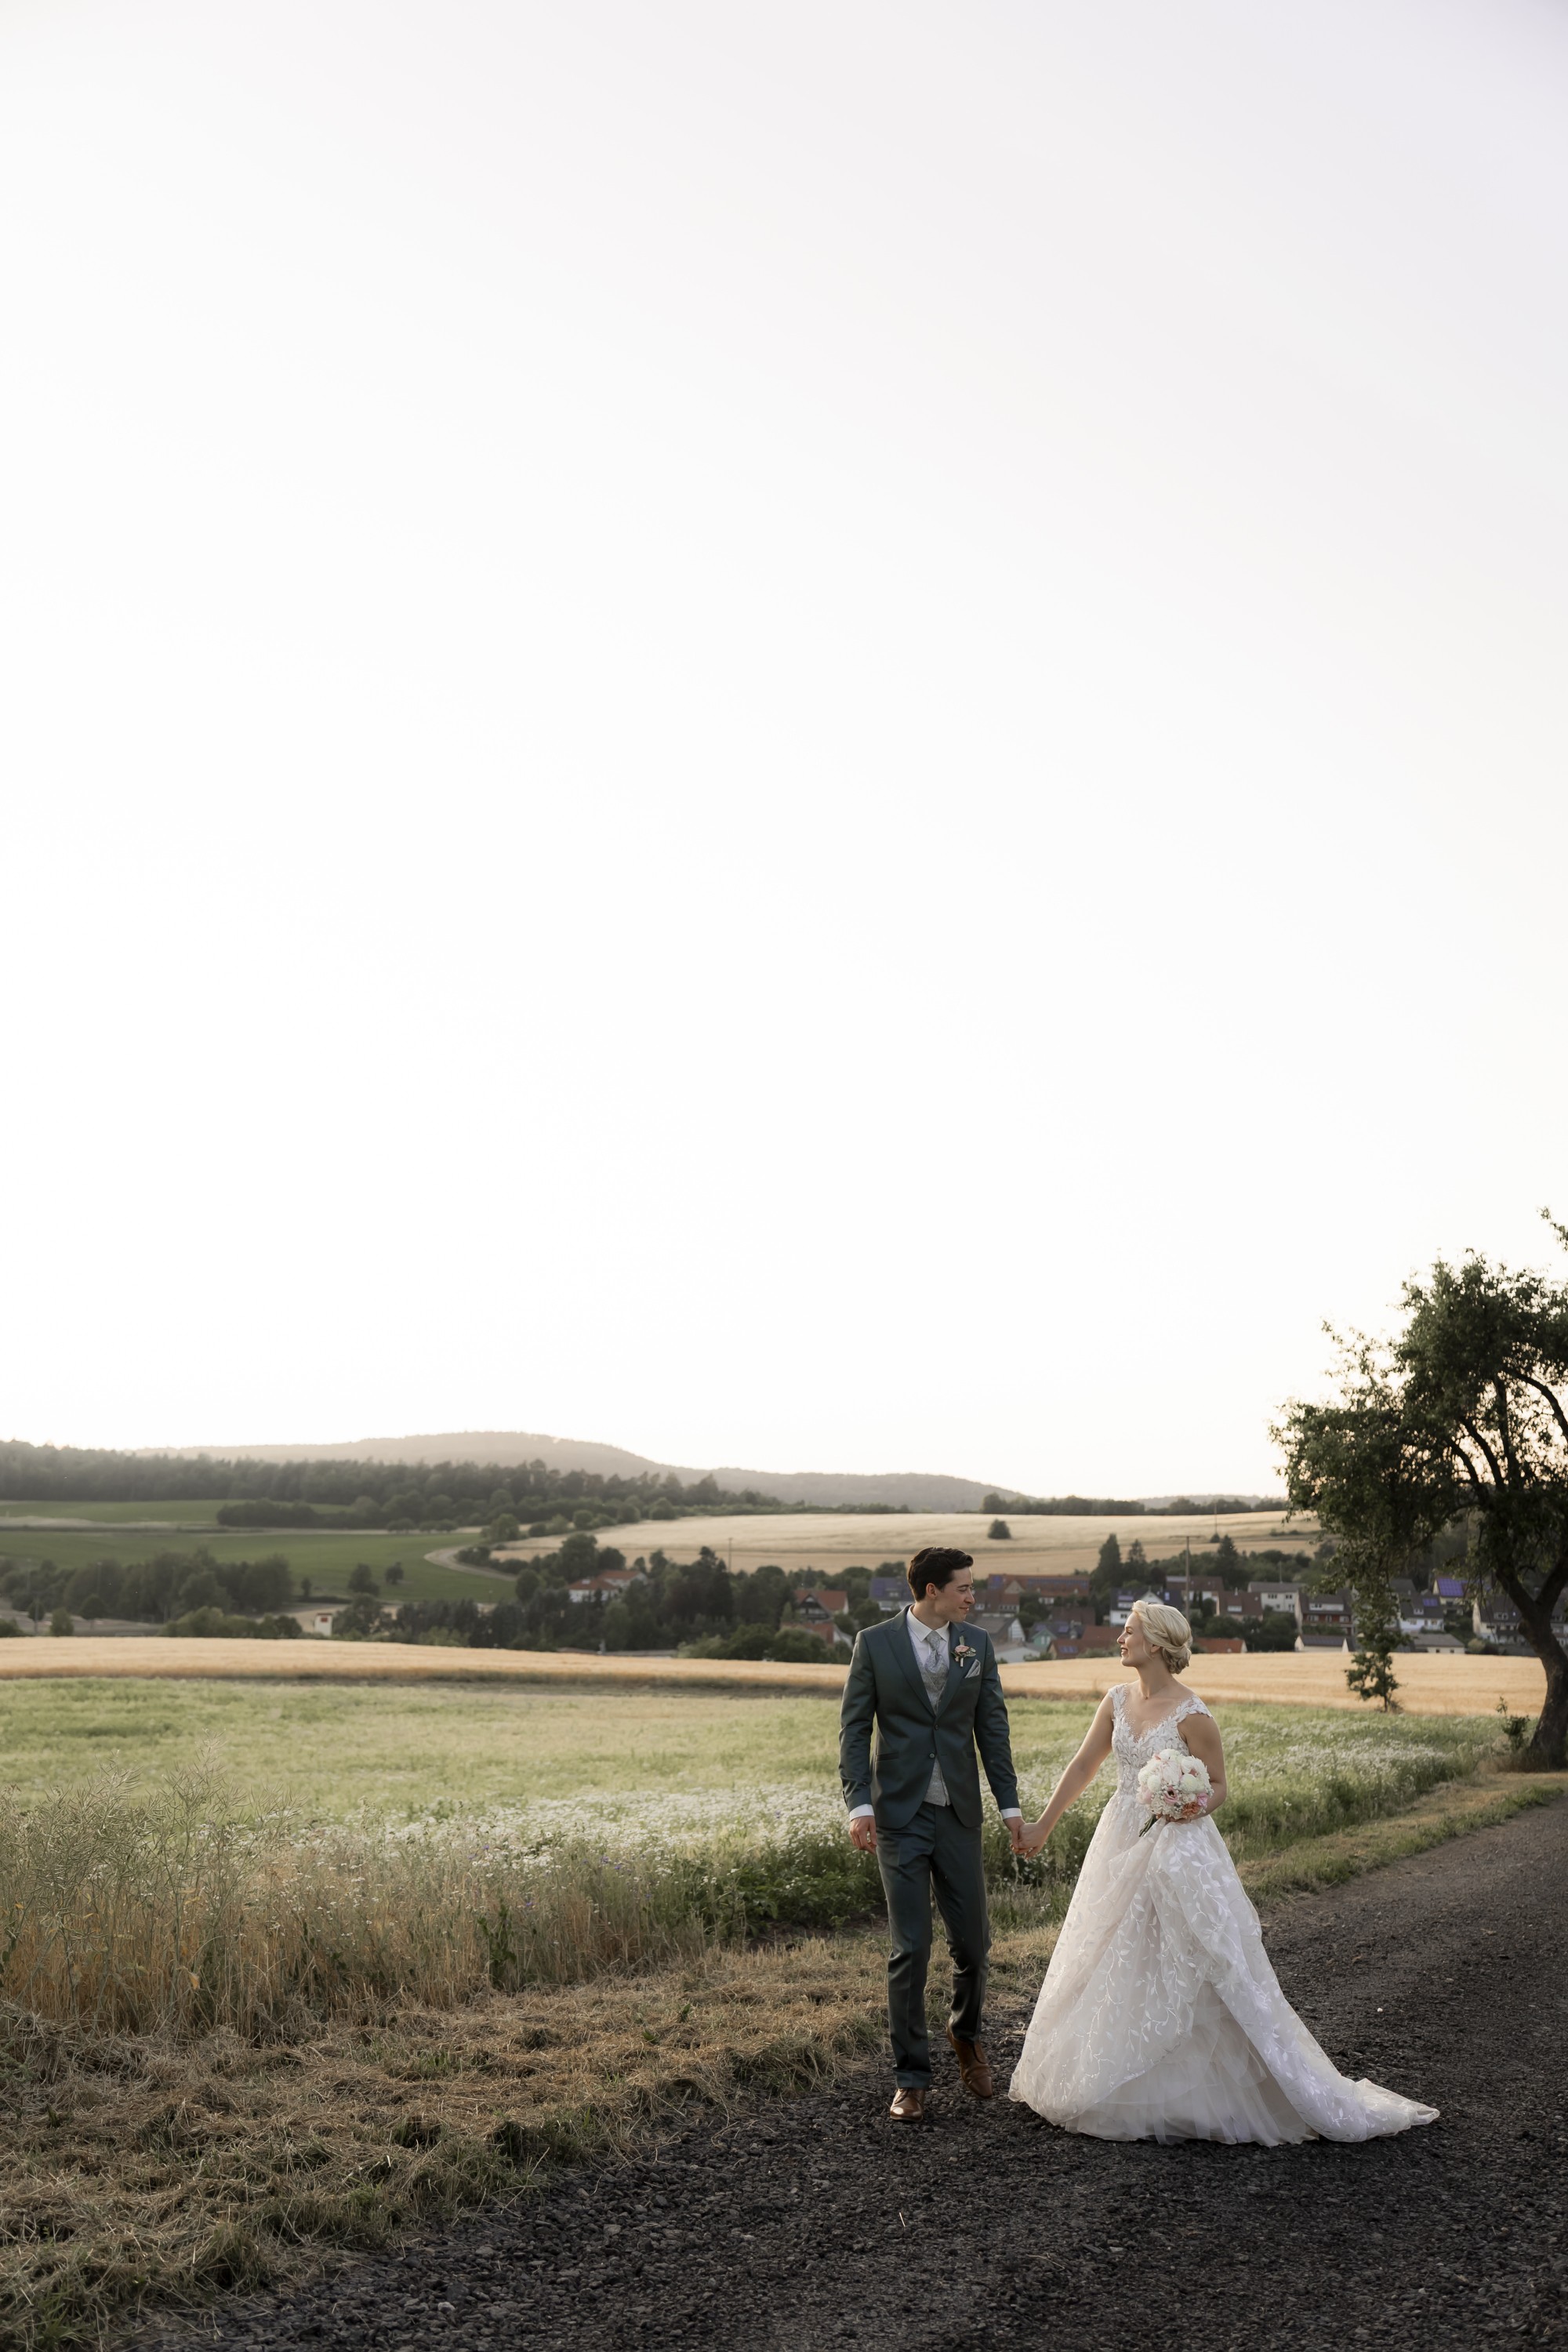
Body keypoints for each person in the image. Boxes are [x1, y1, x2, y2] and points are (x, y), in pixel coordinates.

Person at [1008, 1597, 1439, 2143]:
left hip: (1176, 1845)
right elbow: (1083, 1765)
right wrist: (1043, 1826)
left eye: (1130, 1631)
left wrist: (1185, 1806)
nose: (1120, 1638)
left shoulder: (1193, 1714)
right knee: (1112, 1949)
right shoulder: (1115, 1700)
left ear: (1156, 1643)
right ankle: (1108, 2072)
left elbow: (1218, 1786)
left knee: (1190, 1955)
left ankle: (1194, 2088)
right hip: (1119, 1835)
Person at [839, 1546, 1025, 2121]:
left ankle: (964, 2034)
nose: (973, 1597)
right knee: (911, 1948)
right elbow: (854, 1728)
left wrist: (1010, 1806)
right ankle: (911, 2078)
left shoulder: (977, 1645)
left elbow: (992, 1728)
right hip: (898, 1814)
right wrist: (859, 1805)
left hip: (959, 1813)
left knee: (974, 1944)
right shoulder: (875, 1643)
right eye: (964, 1588)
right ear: (931, 1591)